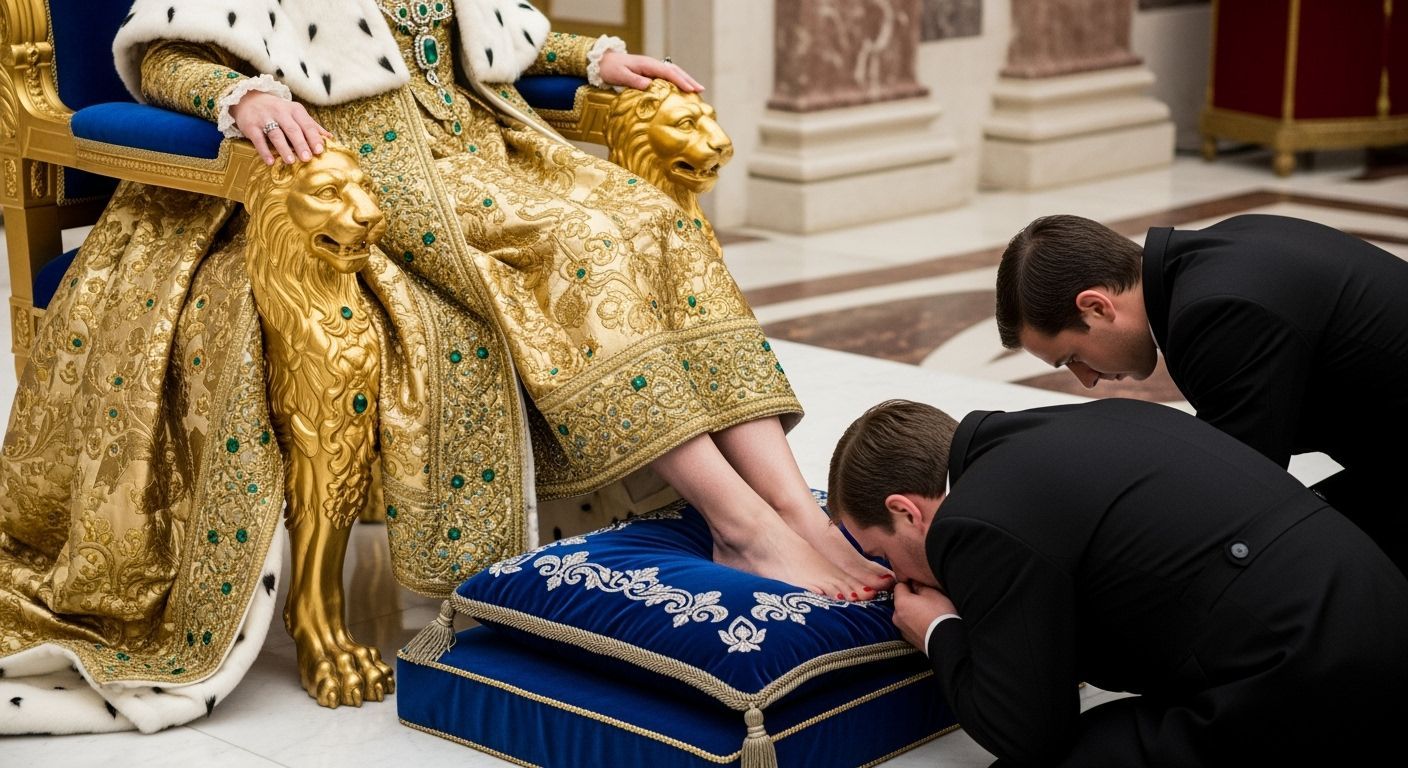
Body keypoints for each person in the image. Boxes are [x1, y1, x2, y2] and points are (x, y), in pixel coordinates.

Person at [0, 0, 886, 733]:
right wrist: (239, 96)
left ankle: (782, 502)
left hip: (484, 147)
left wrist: (596, 60)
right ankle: (735, 520)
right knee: (584, 246)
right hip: (357, 165)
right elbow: (160, 55)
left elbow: (493, 41)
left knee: (652, 219)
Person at [828, 397, 1408, 766]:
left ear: (906, 510)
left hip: (1309, 678)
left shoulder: (974, 521)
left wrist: (939, 630)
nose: (892, 574)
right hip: (1379, 614)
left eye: (882, 552)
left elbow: (1027, 733)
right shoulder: (1091, 420)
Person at [995, 213, 1408, 573]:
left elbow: (1235, 493)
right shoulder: (1215, 257)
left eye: (1071, 357)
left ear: (1097, 307)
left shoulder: (1216, 312)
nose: (1086, 379)